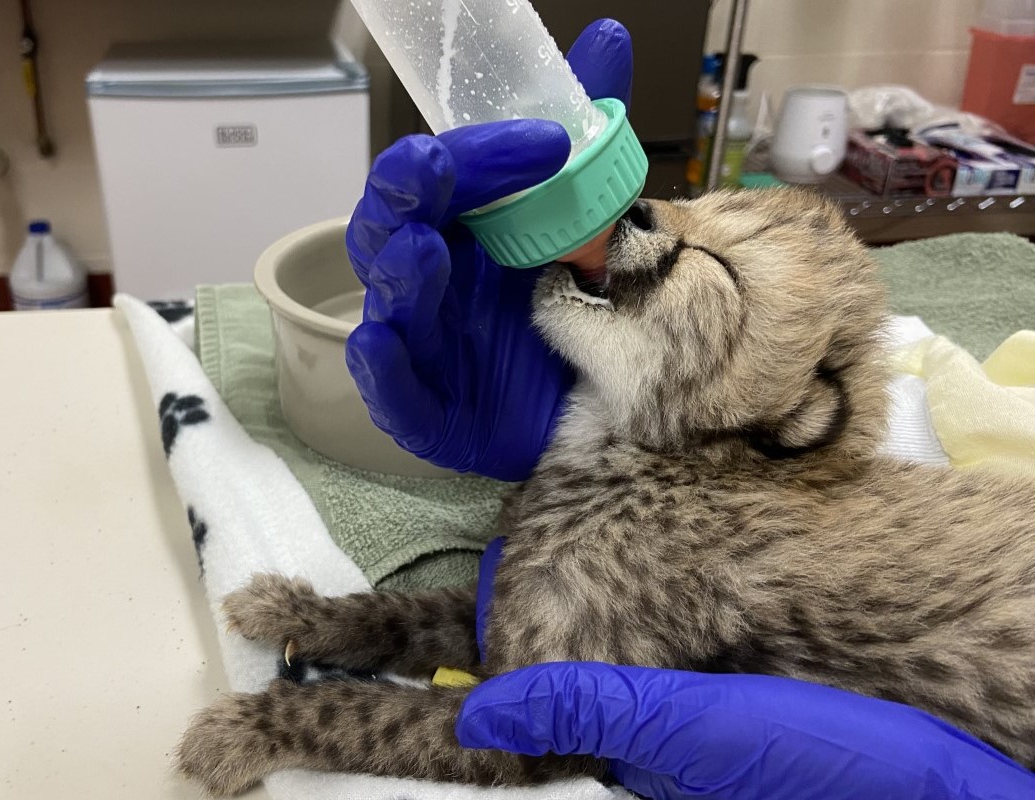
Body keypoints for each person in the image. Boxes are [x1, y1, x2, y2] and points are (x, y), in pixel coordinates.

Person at [344, 18, 1035, 800]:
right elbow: (520, 622)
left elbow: (525, 732)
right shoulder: (735, 480)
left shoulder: (708, 536)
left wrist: (280, 723)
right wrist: (355, 626)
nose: (654, 214)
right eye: (693, 202)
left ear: (789, 416)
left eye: (719, 271)